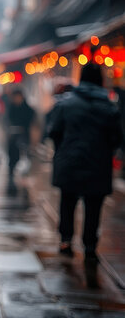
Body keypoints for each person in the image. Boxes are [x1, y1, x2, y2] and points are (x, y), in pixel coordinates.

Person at [48, 63, 122, 261]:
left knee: (67, 202)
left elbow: (54, 131)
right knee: (93, 206)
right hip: (98, 165)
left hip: (69, 162)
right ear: (101, 80)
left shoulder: (65, 104)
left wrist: (62, 150)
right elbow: (117, 138)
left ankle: (66, 240)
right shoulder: (109, 107)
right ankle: (89, 246)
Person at [6, 89, 35, 190]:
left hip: (23, 134)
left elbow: (31, 118)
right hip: (13, 134)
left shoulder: (27, 108)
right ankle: (11, 170)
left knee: (24, 154)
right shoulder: (11, 107)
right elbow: (7, 119)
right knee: (12, 153)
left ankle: (23, 174)